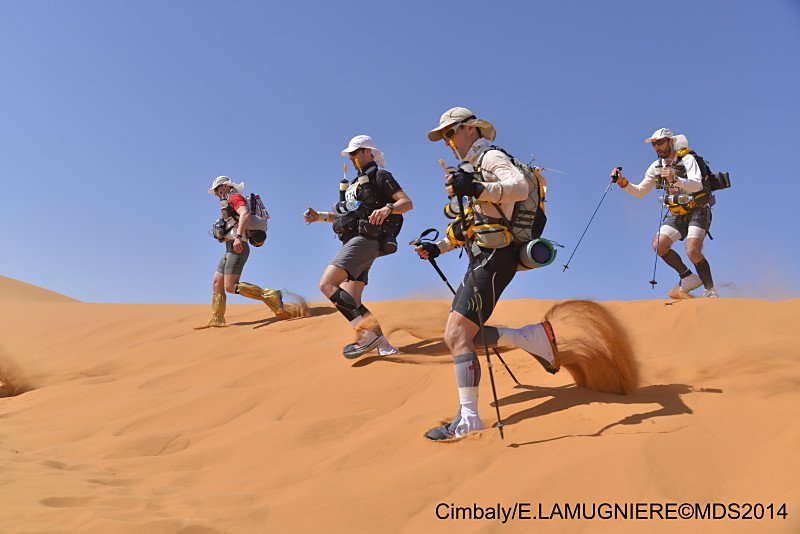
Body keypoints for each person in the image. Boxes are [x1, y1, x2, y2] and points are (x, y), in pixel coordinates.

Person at [416, 107, 562, 441]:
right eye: (444, 137)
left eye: (451, 133)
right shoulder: (470, 169)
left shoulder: (492, 157)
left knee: (456, 335)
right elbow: (473, 223)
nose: (448, 142)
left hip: (497, 258)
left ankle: (468, 420)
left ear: (470, 129)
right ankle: (531, 338)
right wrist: (438, 247)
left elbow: (519, 188)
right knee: (462, 335)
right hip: (484, 256)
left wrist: (478, 187)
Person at [304, 135, 413, 358]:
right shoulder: (355, 184)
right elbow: (347, 214)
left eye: (355, 152)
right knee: (351, 299)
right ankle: (384, 345)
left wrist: (388, 208)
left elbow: (407, 203)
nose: (352, 157)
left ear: (368, 152)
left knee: (326, 284)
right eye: (350, 154)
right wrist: (319, 217)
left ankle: (366, 334)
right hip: (356, 238)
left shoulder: (380, 175)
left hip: (366, 240)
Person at [613, 128, 718, 298]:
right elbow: (640, 191)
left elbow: (697, 185)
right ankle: (687, 277)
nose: (657, 147)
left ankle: (710, 290)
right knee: (659, 245)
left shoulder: (687, 159)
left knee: (692, 250)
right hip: (676, 213)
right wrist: (622, 182)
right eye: (654, 144)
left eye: (660, 142)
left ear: (671, 142)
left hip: (698, 210)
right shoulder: (656, 166)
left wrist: (675, 179)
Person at [200, 176, 289, 328]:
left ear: (224, 186)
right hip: (229, 248)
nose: (215, 193)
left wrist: (239, 237)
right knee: (217, 282)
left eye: (216, 189)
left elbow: (245, 213)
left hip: (238, 246)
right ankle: (217, 320)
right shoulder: (227, 201)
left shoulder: (234, 197)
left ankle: (272, 296)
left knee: (230, 286)